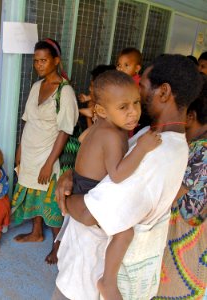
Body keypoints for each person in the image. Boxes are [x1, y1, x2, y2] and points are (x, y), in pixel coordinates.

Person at [54, 54, 203, 300]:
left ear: (163, 92)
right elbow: (103, 167)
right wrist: (71, 175)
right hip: (84, 268)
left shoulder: (158, 152)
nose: (137, 103)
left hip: (86, 283)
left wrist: (65, 199)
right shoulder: (154, 135)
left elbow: (91, 214)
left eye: (141, 89)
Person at [71, 70, 162, 299]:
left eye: (136, 103)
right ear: (101, 111)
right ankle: (108, 282)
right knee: (125, 233)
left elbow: (85, 142)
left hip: (83, 187)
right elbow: (118, 174)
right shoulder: (112, 134)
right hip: (87, 192)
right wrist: (142, 148)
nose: (133, 112)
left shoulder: (106, 127)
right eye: (123, 107)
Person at [11, 39, 79, 264]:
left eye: (44, 60)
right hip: (30, 151)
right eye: (36, 61)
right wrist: (20, 150)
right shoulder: (35, 87)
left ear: (56, 61)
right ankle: (36, 233)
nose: (39, 65)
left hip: (48, 154)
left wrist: (50, 163)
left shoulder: (65, 92)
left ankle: (57, 246)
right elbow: (27, 121)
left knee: (50, 201)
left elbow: (65, 131)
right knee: (33, 194)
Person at [155, 75, 207, 299]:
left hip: (186, 229)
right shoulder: (197, 145)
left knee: (172, 284)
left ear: (191, 116)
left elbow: (176, 192)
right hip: (188, 225)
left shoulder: (200, 150)